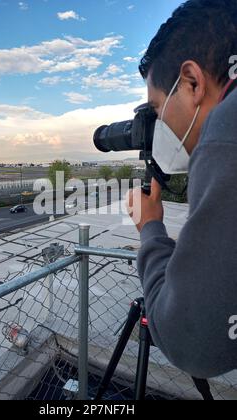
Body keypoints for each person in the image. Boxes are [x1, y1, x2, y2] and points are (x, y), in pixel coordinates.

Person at [127, 0, 237, 378]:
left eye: (157, 111)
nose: (161, 126)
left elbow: (194, 343)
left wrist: (150, 228)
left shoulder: (225, 132)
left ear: (191, 82)